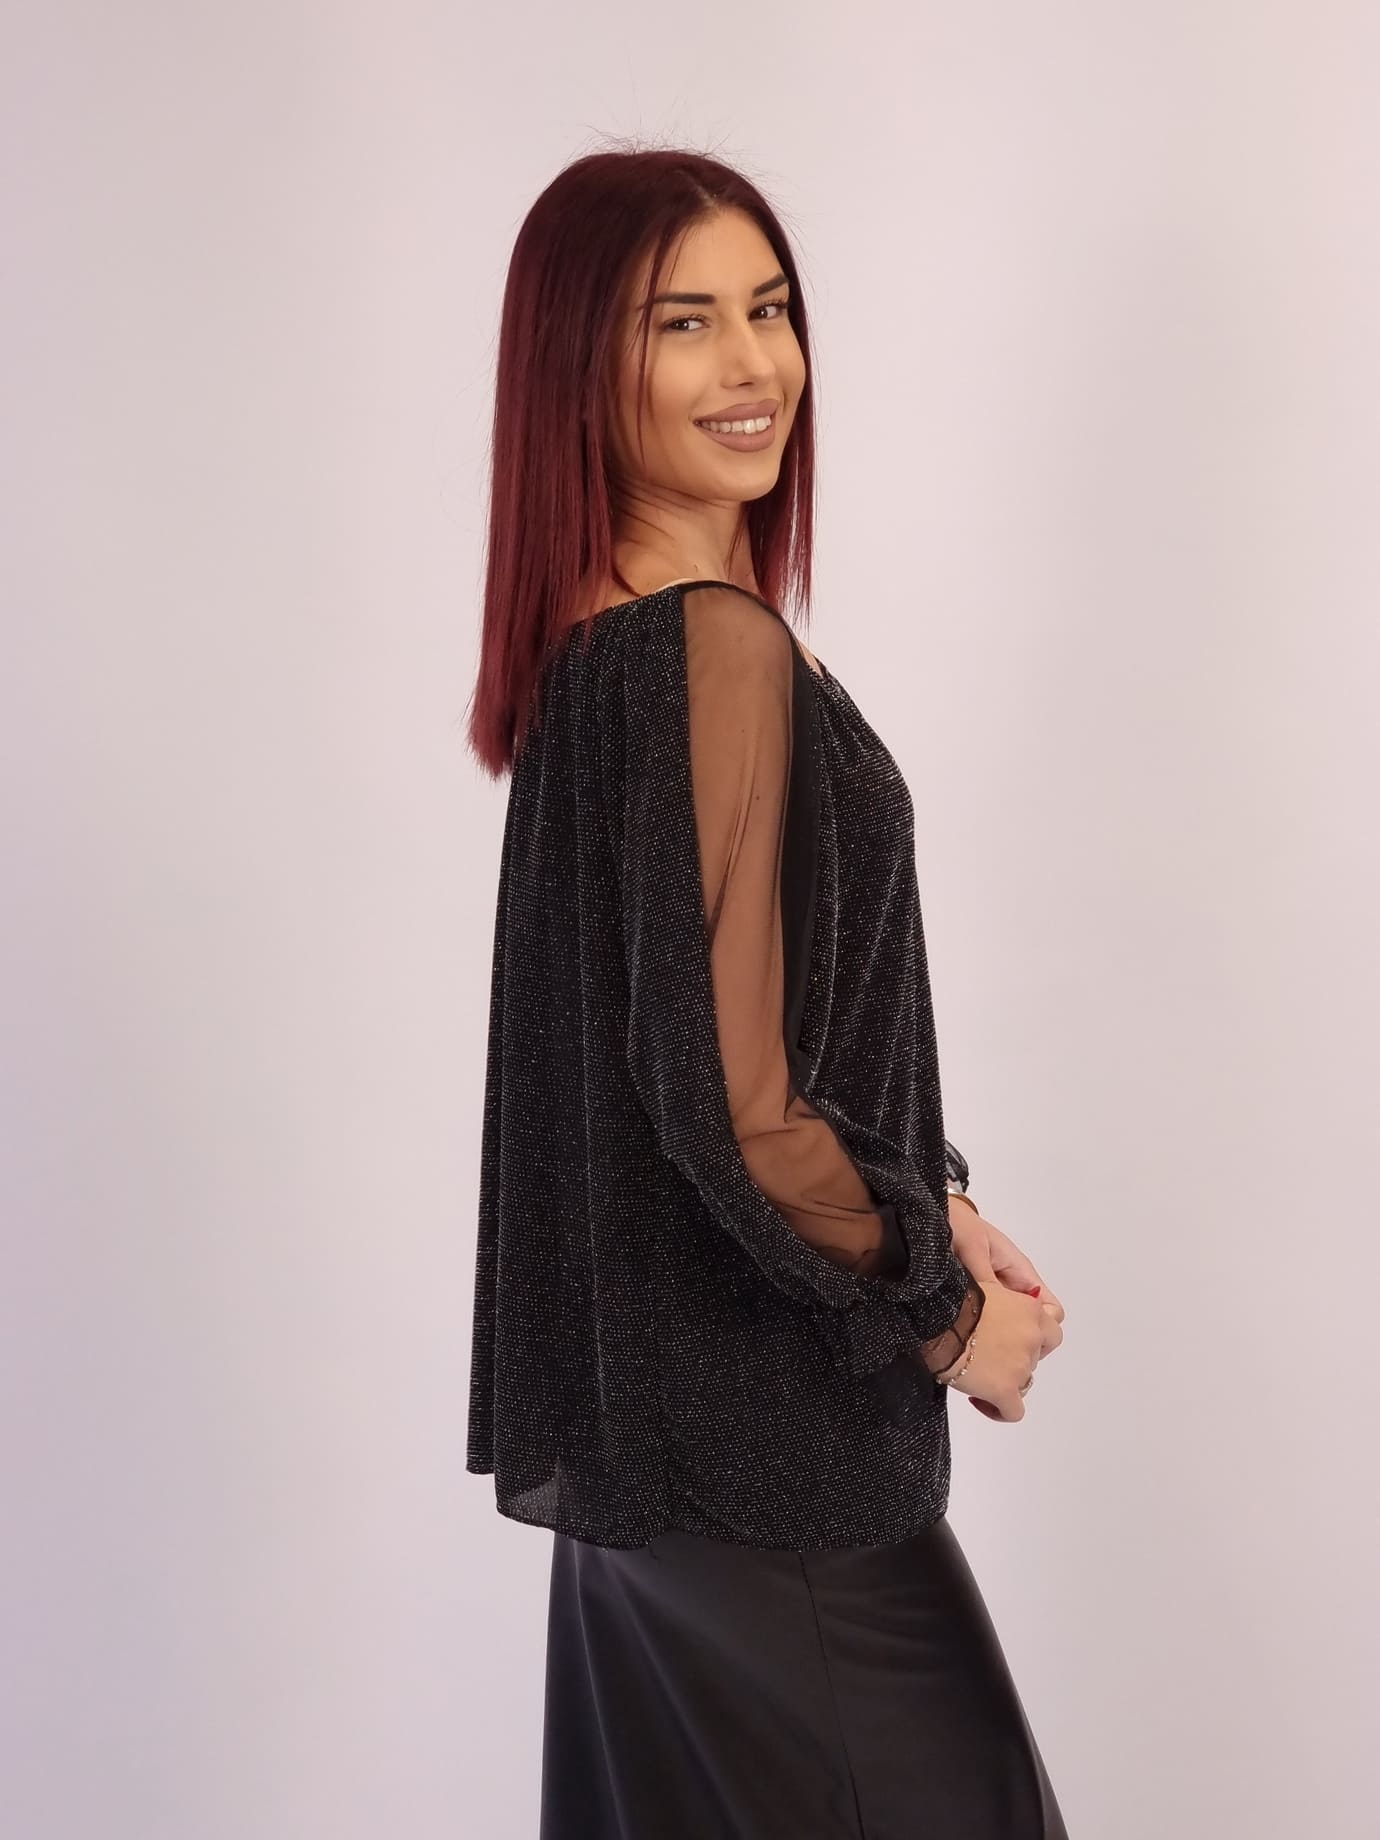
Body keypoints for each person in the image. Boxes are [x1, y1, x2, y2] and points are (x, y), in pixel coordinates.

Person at [465, 145, 1070, 1839]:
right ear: (581, 368)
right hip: (771, 1477)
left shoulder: (603, 647)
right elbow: (733, 1108)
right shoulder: (703, 648)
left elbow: (704, 1055)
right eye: (683, 323)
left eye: (771, 309)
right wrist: (944, 1311)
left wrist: (938, 1203)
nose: (753, 366)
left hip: (663, 1479)